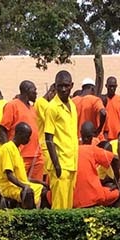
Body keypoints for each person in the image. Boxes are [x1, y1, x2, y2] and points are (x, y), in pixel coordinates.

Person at [42, 71, 79, 209]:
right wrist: (56, 164)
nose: (63, 89)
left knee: (68, 206)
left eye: (66, 86)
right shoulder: (52, 108)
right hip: (60, 164)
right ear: (55, 86)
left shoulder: (73, 106)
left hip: (72, 163)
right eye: (60, 86)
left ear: (72, 86)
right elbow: (48, 138)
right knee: (59, 207)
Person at [1, 81, 44, 181]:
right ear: (27, 91)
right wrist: (9, 152)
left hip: (37, 156)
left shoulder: (33, 108)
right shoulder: (12, 105)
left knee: (36, 189)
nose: (36, 93)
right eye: (34, 90)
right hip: (21, 156)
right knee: (19, 188)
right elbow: (2, 129)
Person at [0, 123, 46, 209]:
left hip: (20, 184)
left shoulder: (17, 149)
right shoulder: (7, 148)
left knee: (44, 190)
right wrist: (24, 186)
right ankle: (29, 219)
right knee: (28, 192)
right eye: (27, 136)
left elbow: (23, 178)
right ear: (19, 134)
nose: (28, 139)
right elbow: (9, 176)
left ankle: (41, 217)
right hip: (9, 186)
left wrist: (40, 182)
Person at [74, 121, 120, 208]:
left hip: (72, 196)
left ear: (81, 134)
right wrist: (117, 182)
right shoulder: (93, 149)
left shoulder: (73, 150)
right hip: (93, 196)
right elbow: (115, 160)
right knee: (118, 194)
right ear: (93, 135)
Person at [103, 76, 120, 141]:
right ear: (106, 86)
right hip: (104, 137)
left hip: (117, 136)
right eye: (110, 86)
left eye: (114, 86)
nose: (112, 88)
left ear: (116, 86)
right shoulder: (102, 100)